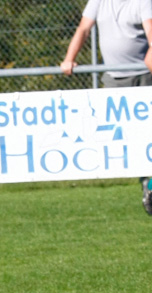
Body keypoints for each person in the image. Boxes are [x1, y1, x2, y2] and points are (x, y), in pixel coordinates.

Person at [60, 0, 152, 214]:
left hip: (144, 76)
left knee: (148, 134)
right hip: (114, 79)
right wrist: (69, 59)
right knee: (124, 137)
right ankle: (147, 182)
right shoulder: (99, 1)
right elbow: (83, 28)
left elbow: (150, 29)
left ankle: (149, 181)